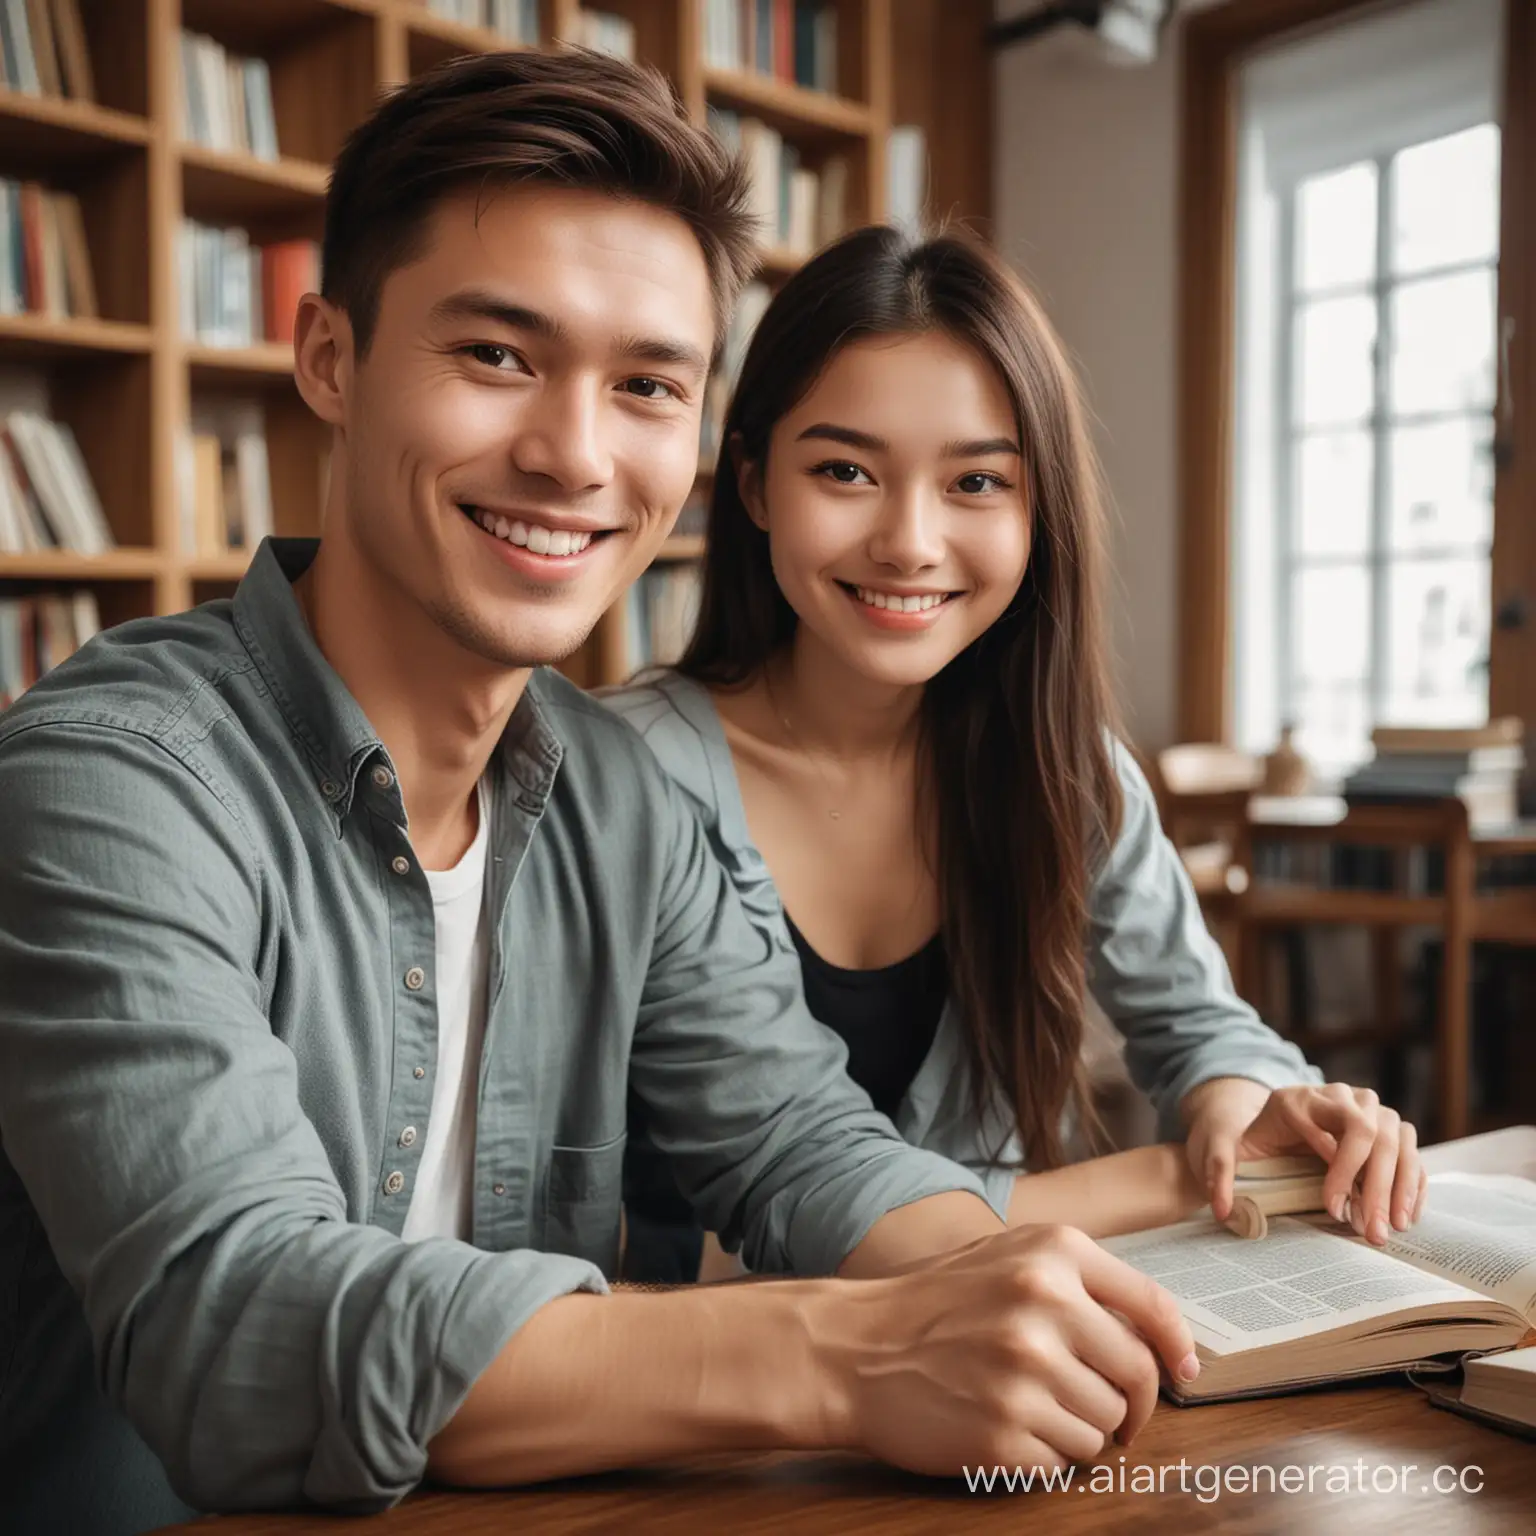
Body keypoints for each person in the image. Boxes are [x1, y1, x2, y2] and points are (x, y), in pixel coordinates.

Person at [0, 53, 1209, 1536]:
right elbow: (235, 1323)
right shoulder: (115, 779)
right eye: (498, 356)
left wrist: (1016, 1296)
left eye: (646, 385)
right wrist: (847, 1352)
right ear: (327, 355)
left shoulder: (618, 798)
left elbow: (801, 1146)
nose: (576, 454)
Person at [603, 225, 1428, 1284]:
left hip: (997, 1367)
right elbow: (800, 1182)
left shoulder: (1062, 768)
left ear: (1040, 510)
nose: (909, 540)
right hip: (714, 1392)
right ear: (756, 487)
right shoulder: (630, 774)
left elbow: (1197, 1024)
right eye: (846, 470)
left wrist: (1245, 1112)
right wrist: (1182, 1179)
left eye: (977, 483)